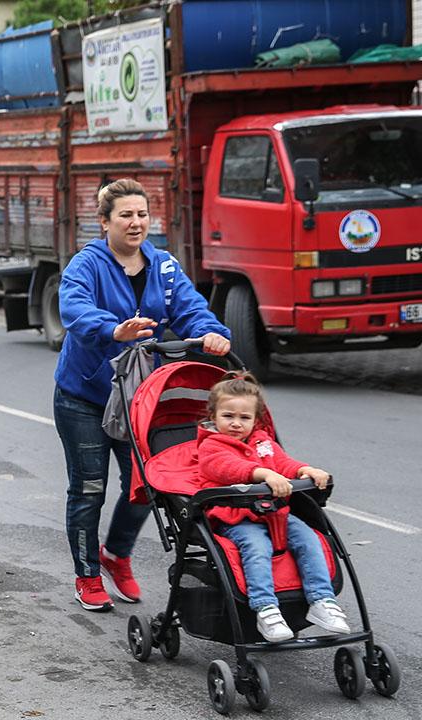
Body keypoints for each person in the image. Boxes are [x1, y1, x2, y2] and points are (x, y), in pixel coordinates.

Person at [55, 178, 231, 612]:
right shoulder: (87, 264)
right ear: (104, 222)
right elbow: (74, 308)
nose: (136, 224)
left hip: (138, 397)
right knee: (89, 489)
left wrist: (212, 335)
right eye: (125, 215)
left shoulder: (164, 266)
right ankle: (88, 575)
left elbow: (191, 310)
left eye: (142, 215)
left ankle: (117, 555)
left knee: (147, 485)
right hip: (85, 396)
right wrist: (112, 329)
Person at [196, 371, 349, 642]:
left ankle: (321, 600)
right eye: (228, 416)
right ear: (213, 416)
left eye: (244, 418)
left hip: (274, 513)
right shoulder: (211, 446)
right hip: (235, 517)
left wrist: (305, 469)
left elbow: (283, 463)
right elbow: (228, 468)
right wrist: (263, 474)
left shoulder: (263, 442)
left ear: (256, 420)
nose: (236, 424)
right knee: (257, 548)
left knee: (309, 539)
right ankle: (265, 608)